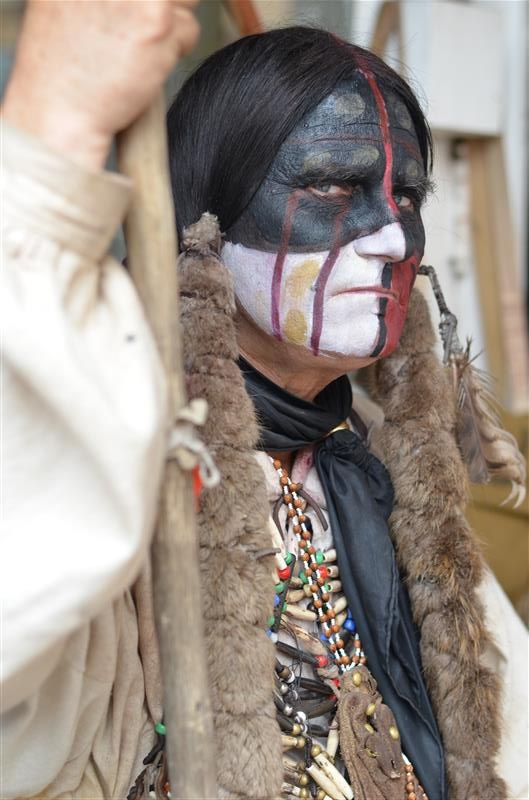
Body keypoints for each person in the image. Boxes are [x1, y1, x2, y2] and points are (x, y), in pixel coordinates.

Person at [1, 9, 527, 800]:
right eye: (331, 184)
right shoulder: (112, 459)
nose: (392, 239)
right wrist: (50, 137)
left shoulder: (383, 461)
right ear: (205, 217)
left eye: (406, 195)